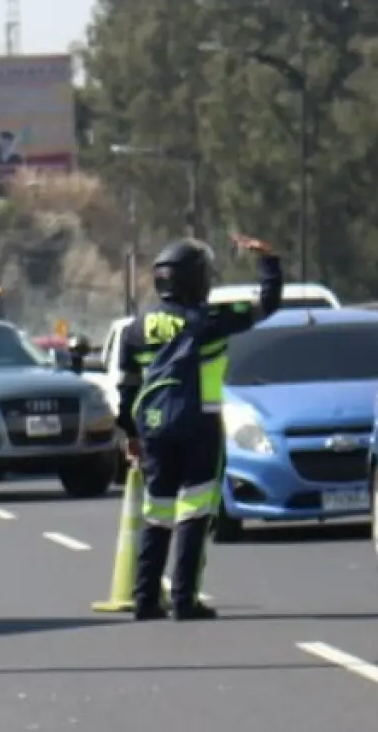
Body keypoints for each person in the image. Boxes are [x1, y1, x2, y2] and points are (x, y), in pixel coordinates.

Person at [115, 233, 283, 621]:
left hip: (153, 427)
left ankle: (144, 598)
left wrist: (132, 435)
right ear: (195, 279)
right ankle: (184, 599)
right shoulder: (208, 321)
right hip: (199, 425)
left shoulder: (135, 328)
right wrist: (268, 261)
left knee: (155, 513)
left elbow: (126, 388)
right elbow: (267, 304)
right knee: (194, 512)